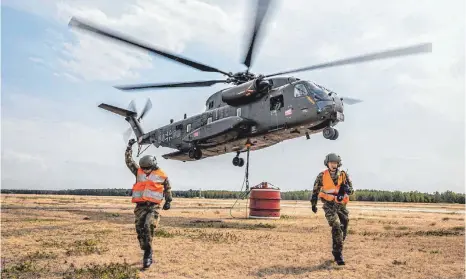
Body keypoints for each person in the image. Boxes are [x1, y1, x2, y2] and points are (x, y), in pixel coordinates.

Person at [125, 138, 172, 269]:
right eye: (143, 168)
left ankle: (148, 253)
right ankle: (145, 248)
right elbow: (129, 162)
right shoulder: (139, 171)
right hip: (140, 206)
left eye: (147, 168)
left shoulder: (161, 174)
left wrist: (168, 200)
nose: (145, 171)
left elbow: (167, 187)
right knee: (139, 229)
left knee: (148, 225)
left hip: (154, 206)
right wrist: (129, 147)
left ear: (153, 166)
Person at [310, 153, 354, 265]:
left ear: (338, 164)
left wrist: (347, 189)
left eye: (335, 163)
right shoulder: (321, 176)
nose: (333, 165)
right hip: (329, 206)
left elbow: (352, 191)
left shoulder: (344, 175)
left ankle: (337, 247)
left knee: (344, 226)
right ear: (327, 163)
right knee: (336, 225)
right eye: (331, 163)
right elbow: (315, 191)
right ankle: (338, 254)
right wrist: (313, 204)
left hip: (341, 206)